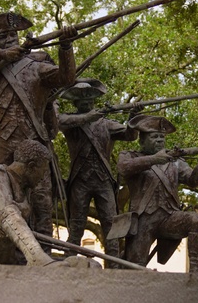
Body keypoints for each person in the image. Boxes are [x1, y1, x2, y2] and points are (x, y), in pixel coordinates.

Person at [0, 12, 77, 245]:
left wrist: (66, 46)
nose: (10, 39)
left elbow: (66, 78)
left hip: (34, 143)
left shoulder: (37, 64)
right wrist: (4, 55)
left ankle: (44, 254)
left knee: (42, 203)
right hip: (0, 143)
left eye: (13, 34)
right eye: (2, 36)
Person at [116, 115, 198, 273]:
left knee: (195, 220)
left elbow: (193, 180)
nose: (159, 140)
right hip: (143, 221)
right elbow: (123, 168)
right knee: (135, 266)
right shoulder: (130, 156)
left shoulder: (175, 161)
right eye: (154, 136)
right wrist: (154, 159)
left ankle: (195, 270)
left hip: (169, 217)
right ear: (142, 140)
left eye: (162, 137)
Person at [58, 78, 140, 267]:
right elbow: (58, 121)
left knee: (111, 226)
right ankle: (69, 265)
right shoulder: (71, 122)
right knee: (76, 226)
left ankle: (113, 266)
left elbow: (130, 135)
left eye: (90, 99)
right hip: (80, 181)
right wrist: (88, 117)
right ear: (76, 103)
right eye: (82, 100)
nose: (87, 102)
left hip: (103, 180)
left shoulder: (107, 124)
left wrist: (132, 116)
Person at [0, 139, 57, 266]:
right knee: (8, 212)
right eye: (43, 170)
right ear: (32, 166)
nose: (42, 177)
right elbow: (5, 212)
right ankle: (38, 258)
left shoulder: (26, 190)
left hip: (14, 254)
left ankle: (40, 259)